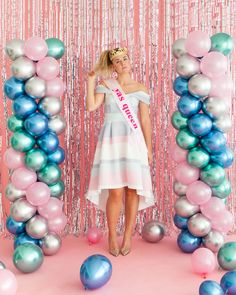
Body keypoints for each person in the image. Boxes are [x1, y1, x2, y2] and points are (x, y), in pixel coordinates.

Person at [85, 47, 155, 256]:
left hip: (133, 143)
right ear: (112, 66)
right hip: (111, 143)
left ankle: (127, 236)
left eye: (125, 58)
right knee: (115, 191)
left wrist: (149, 149)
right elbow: (91, 107)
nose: (123, 63)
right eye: (117, 61)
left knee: (132, 190)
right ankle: (112, 236)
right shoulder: (106, 86)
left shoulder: (141, 88)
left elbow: (144, 120)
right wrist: (90, 82)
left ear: (130, 60)